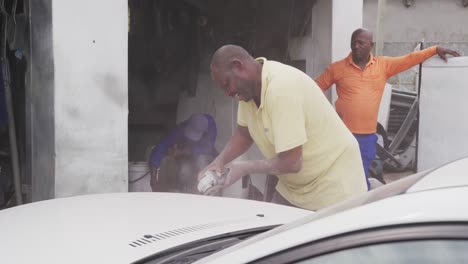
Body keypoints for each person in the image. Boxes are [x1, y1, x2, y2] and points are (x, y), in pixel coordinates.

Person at [200, 45, 367, 211]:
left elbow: (292, 162)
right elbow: (244, 134)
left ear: (238, 66)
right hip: (295, 187)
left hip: (333, 185)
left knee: (316, 237)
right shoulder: (248, 92)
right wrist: (219, 162)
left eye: (227, 84)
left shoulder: (281, 89)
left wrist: (242, 168)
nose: (228, 93)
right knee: (274, 232)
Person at [315, 28, 460, 190]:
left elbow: (409, 59)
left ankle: (359, 205)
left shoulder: (383, 65)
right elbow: (315, 88)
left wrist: (434, 50)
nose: (356, 46)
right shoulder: (337, 68)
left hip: (366, 137)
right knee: (342, 175)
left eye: (361, 43)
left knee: (359, 176)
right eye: (353, 42)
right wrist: (324, 116)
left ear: (371, 45)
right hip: (343, 135)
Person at [149, 113, 217, 193]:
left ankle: (202, 189)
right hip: (186, 158)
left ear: (204, 132)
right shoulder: (182, 128)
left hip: (202, 157)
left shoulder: (210, 126)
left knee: (202, 159)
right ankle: (185, 190)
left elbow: (208, 148)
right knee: (184, 170)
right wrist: (153, 177)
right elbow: (161, 147)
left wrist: (184, 151)